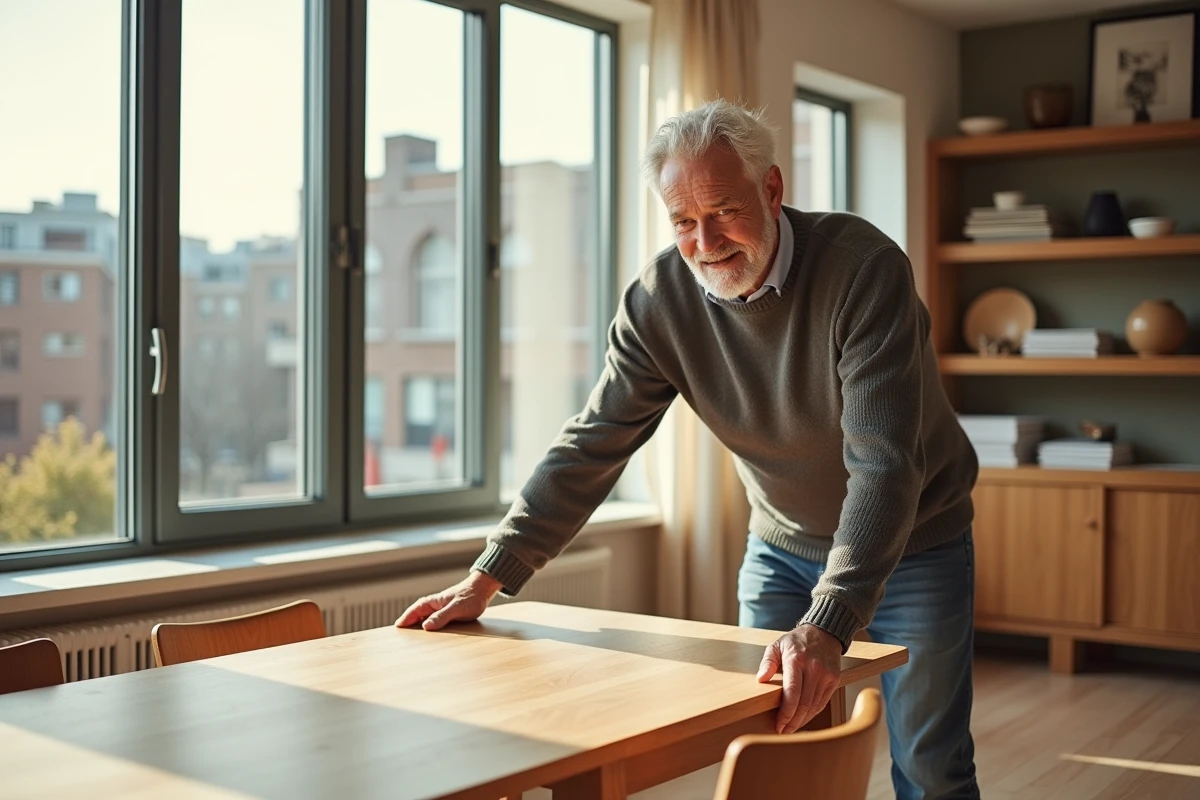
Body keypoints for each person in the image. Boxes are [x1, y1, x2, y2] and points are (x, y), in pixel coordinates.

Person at [397, 99, 981, 800]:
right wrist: (489, 575)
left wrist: (830, 621)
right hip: (783, 550)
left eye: (723, 211)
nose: (705, 242)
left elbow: (884, 465)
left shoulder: (863, 270)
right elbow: (595, 442)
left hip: (917, 542)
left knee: (929, 765)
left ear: (771, 190)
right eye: (683, 221)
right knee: (774, 763)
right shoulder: (658, 301)